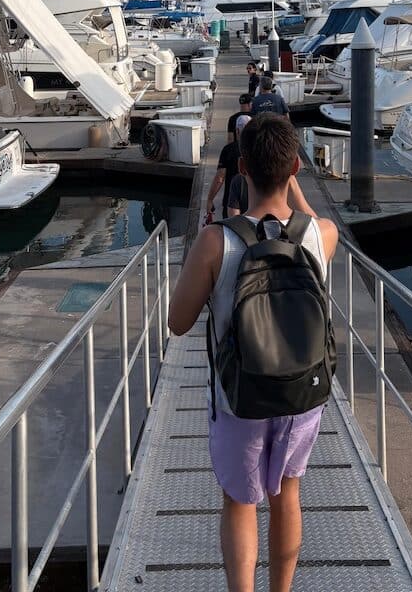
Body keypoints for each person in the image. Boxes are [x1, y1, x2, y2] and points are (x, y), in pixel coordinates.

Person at [169, 115, 338, 592]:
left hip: (238, 396)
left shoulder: (215, 241)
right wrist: (294, 186)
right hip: (303, 392)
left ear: (241, 167)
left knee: (241, 502)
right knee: (288, 495)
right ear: (295, 167)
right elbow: (316, 218)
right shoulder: (319, 236)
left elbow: (177, 323)